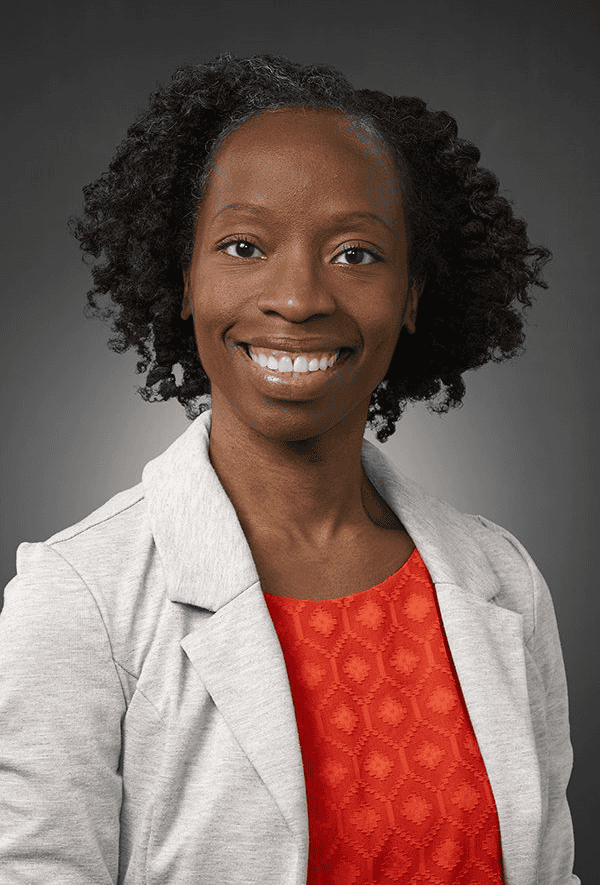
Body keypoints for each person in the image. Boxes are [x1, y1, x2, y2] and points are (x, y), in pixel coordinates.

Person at [0, 54, 578, 884]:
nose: (300, 297)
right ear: (186, 279)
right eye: (244, 245)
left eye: (356, 254)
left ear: (413, 293)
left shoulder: (503, 582)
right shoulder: (78, 600)